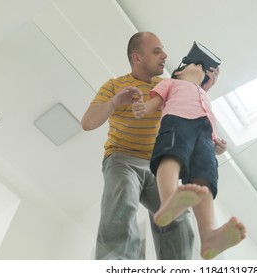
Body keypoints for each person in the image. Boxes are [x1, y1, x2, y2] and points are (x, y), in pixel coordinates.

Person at [81, 31, 223, 260]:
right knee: (123, 200)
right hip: (122, 158)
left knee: (179, 217)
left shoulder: (167, 84)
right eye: (157, 51)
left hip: (156, 164)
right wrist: (115, 101)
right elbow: (88, 123)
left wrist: (203, 89)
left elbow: (185, 112)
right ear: (137, 57)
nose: (165, 55)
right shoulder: (114, 85)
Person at [132, 62, 246, 260]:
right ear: (179, 72)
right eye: (194, 64)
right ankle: (169, 201)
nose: (200, 66)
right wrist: (143, 107)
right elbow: (155, 102)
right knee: (171, 155)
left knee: (204, 179)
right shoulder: (171, 83)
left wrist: (219, 145)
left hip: (206, 136)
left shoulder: (204, 94)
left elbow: (209, 119)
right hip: (177, 120)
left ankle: (208, 234)